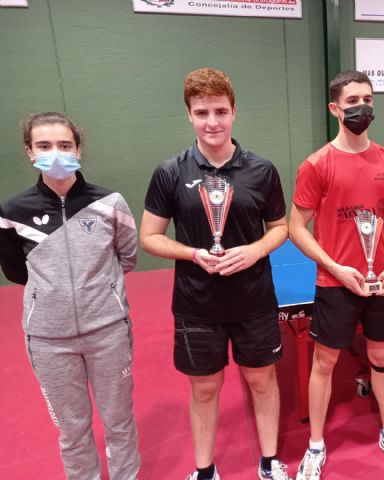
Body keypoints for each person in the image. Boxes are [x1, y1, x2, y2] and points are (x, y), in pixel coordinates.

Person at [140, 68, 290, 480]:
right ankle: (205, 471)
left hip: (254, 299)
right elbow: (149, 237)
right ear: (189, 114)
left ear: (234, 112)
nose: (212, 122)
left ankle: (270, 462)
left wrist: (255, 250)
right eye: (202, 112)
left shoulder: (262, 170)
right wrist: (192, 254)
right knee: (204, 388)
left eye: (220, 111)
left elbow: (280, 227)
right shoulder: (170, 172)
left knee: (262, 381)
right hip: (197, 304)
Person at [290, 70, 384, 480]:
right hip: (336, 283)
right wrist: (334, 267)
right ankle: (315, 446)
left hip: (381, 281)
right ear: (335, 108)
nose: (361, 107)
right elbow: (296, 227)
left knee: (382, 358)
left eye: (367, 99)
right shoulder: (316, 164)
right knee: (325, 361)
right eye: (352, 101)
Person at [0, 112, 141, 479]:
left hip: (108, 332)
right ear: (30, 151)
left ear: (78, 149)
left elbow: (127, 257)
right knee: (72, 430)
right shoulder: (11, 212)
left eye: (65, 145)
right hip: (49, 340)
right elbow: (15, 271)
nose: (56, 154)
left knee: (119, 420)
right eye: (44, 146)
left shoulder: (110, 203)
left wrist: (99, 292)